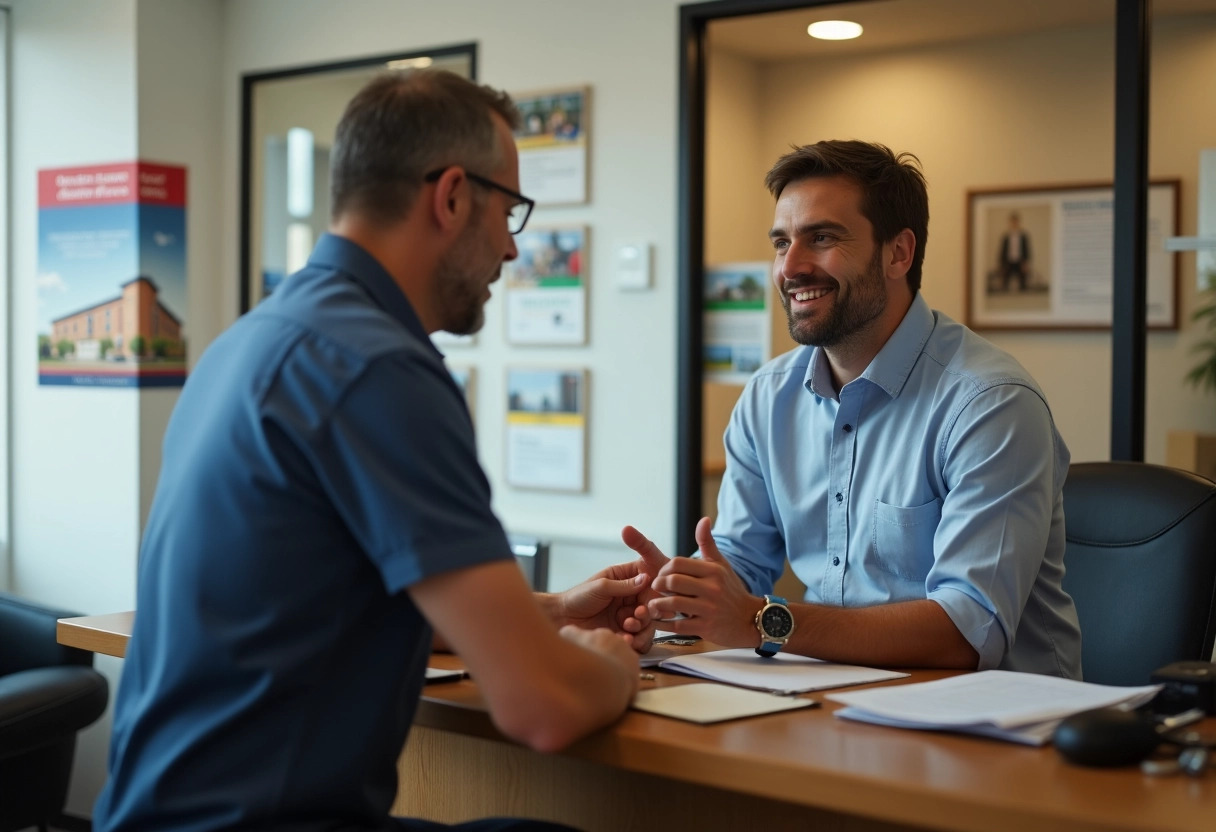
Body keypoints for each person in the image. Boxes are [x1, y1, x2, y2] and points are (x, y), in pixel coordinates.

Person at [94, 70, 663, 832]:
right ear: (453, 195)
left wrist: (554, 612)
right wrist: (611, 667)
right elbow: (545, 709)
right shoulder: (380, 367)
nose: (508, 249)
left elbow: (336, 603)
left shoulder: (255, 340)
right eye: (510, 212)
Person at [623, 140, 1080, 678]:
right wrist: (668, 599)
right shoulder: (769, 396)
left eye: (821, 238)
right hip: (830, 698)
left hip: (997, 729)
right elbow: (740, 563)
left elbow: (966, 631)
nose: (790, 267)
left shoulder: (990, 403)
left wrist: (761, 622)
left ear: (898, 254)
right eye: (780, 243)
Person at [998, 211, 1032, 291]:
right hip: (1008, 261)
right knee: (1005, 283)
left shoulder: (1023, 235)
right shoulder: (1006, 236)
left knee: (1023, 283)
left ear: (1018, 222)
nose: (1014, 223)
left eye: (1015, 221)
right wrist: (1001, 264)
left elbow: (1027, 250)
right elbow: (1002, 250)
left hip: (1020, 261)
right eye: (1012, 222)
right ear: (1010, 222)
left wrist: (1025, 263)